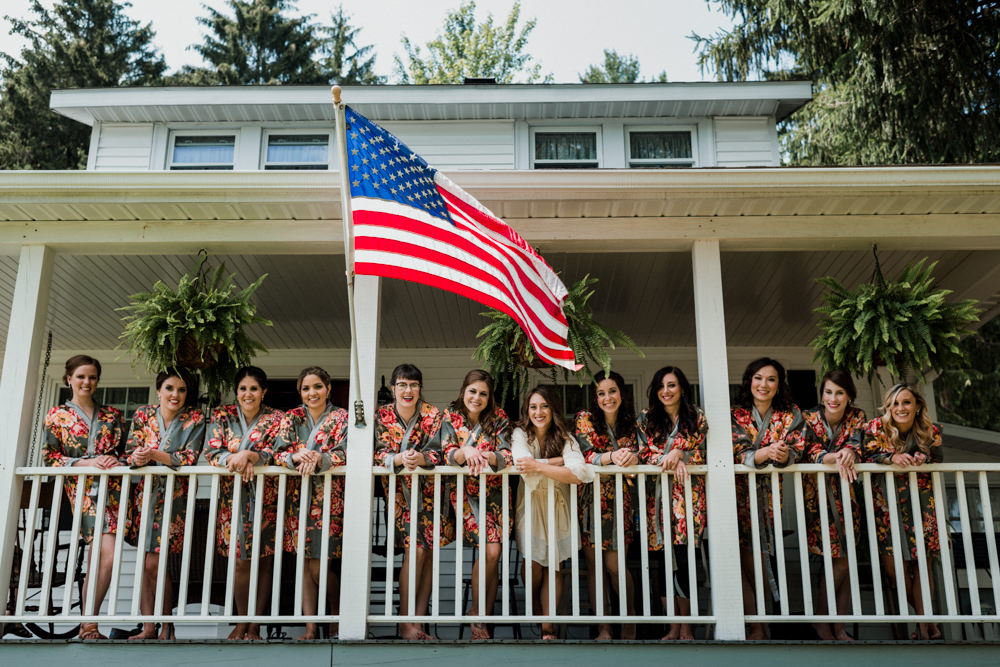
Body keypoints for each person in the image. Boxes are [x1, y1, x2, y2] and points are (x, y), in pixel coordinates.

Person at [42, 355, 126, 640]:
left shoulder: (113, 416)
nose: (86, 382)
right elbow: (49, 458)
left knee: (107, 556)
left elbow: (125, 453)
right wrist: (84, 463)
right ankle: (89, 625)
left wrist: (116, 462)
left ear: (97, 381)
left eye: (91, 377)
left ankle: (89, 623)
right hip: (81, 493)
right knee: (102, 554)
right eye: (80, 377)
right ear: (69, 379)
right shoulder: (57, 416)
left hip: (112, 492)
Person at [124, 367, 205, 640]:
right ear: (159, 390)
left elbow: (190, 457)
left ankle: (167, 626)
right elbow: (129, 452)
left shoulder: (194, 418)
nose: (175, 394)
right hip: (144, 494)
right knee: (145, 561)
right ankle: (149, 627)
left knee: (155, 563)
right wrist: (137, 457)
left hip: (175, 497)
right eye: (170, 388)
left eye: (181, 390)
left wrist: (155, 454)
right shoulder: (143, 415)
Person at [205, 366, 284, 640]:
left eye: (253, 388)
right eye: (243, 389)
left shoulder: (277, 418)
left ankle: (255, 625)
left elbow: (280, 452)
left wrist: (252, 455)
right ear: (236, 392)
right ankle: (242, 619)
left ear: (263, 392)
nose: (248, 394)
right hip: (233, 497)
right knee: (240, 561)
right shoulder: (222, 416)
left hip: (269, 496)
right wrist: (235, 458)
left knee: (263, 560)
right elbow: (212, 450)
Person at [373, 363, 451, 641]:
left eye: (414, 385)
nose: (408, 390)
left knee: (428, 554)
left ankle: (418, 622)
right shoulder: (380, 417)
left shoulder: (433, 415)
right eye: (403, 385)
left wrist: (423, 458)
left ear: (420, 389)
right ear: (393, 388)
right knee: (415, 552)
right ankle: (405, 622)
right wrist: (396, 459)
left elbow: (443, 451)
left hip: (431, 495)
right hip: (399, 496)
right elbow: (373, 453)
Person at [863, 383, 943, 640]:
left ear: (917, 405)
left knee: (922, 563)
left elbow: (937, 456)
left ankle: (922, 626)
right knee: (892, 565)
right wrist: (891, 458)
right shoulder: (877, 427)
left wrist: (924, 457)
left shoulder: (931, 431)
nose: (900, 408)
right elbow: (867, 453)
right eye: (895, 403)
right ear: (888, 407)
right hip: (887, 504)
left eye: (906, 402)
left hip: (922, 502)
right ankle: (926, 620)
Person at [273, 366, 349, 640]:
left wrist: (321, 458)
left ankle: (337, 615)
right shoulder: (291, 418)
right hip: (296, 497)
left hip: (329, 499)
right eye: (306, 388)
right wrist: (295, 456)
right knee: (304, 564)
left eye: (317, 386)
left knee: (320, 565)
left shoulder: (342, 418)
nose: (312, 392)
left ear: (328, 388)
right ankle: (310, 627)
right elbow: (277, 452)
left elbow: (347, 452)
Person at [513, 385, 593, 640]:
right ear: (527, 409)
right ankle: (536, 607)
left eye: (544, 406)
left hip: (559, 505)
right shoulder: (520, 434)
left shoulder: (566, 438)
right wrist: (557, 463)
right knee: (533, 562)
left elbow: (579, 473)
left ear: (553, 409)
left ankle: (548, 627)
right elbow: (523, 466)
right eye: (533, 406)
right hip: (532, 504)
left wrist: (540, 465)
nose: (538, 412)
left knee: (555, 565)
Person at [731, 357, 803, 640]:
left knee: (757, 558)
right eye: (758, 378)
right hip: (735, 497)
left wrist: (786, 456)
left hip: (768, 498)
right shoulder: (735, 415)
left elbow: (799, 448)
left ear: (778, 385)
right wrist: (764, 453)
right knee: (738, 563)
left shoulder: (790, 415)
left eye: (771, 379)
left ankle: (761, 623)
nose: (763, 384)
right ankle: (757, 625)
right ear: (749, 380)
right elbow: (733, 452)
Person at [442, 370, 512, 640]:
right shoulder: (450, 417)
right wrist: (466, 451)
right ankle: (474, 610)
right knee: (491, 549)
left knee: (494, 554)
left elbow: (507, 454)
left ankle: (485, 614)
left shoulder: (499, 418)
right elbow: (445, 452)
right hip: (464, 495)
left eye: (483, 393)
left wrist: (487, 454)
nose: (477, 397)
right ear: (463, 391)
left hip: (495, 494)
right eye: (472, 391)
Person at [638, 366, 707, 641]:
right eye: (661, 386)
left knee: (685, 560)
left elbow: (702, 451)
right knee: (663, 563)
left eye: (672, 385)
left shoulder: (696, 417)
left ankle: (687, 627)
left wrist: (682, 454)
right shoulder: (646, 418)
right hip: (656, 501)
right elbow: (642, 453)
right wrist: (671, 456)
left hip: (688, 499)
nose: (666, 391)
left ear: (682, 389)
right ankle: (673, 627)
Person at [573, 370, 640, 640]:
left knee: (615, 566)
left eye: (612, 391)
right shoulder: (585, 419)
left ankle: (629, 620)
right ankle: (603, 627)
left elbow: (642, 452)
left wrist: (633, 458)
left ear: (621, 394)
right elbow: (586, 453)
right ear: (595, 397)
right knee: (595, 567)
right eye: (601, 393)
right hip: (589, 501)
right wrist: (613, 456)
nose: (607, 397)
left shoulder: (633, 423)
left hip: (620, 502)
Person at [801, 369, 866, 641]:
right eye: (828, 392)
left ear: (849, 395)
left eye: (839, 392)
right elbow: (809, 450)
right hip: (818, 497)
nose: (833, 398)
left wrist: (851, 450)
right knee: (834, 561)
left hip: (849, 495)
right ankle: (823, 621)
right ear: (822, 394)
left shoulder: (857, 417)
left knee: (847, 561)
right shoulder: (808, 418)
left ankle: (837, 625)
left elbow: (859, 444)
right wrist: (836, 456)